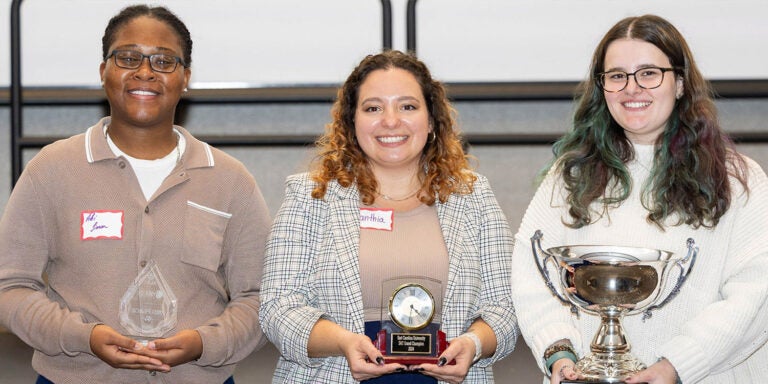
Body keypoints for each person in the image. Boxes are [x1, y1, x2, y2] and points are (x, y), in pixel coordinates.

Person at [0, 5, 271, 383]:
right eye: (128, 57)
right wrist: (84, 337)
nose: (145, 72)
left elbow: (262, 298)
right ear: (103, 72)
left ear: (186, 78)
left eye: (164, 61)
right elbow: (10, 287)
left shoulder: (230, 180)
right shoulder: (51, 170)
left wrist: (204, 343)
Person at [510, 14, 768, 384]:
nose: (632, 88)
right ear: (602, 88)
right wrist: (557, 350)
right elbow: (532, 273)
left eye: (649, 73)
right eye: (617, 76)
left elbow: (756, 293)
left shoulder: (737, 179)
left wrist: (677, 366)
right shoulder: (570, 175)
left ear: (679, 83)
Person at [259, 50, 517, 384]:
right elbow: (278, 306)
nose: (391, 120)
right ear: (352, 122)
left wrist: (474, 343)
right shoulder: (310, 197)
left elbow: (506, 306)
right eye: (373, 108)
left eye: (407, 106)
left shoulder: (474, 196)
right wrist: (343, 342)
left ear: (432, 120)